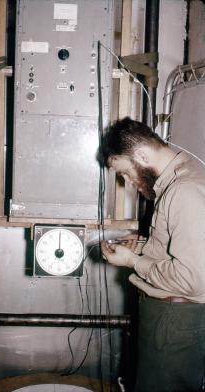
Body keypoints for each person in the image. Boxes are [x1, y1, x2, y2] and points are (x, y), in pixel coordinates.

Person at [99, 117, 205, 392]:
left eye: (124, 172)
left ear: (142, 155)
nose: (127, 182)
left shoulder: (184, 191)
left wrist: (133, 261)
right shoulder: (180, 180)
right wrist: (145, 244)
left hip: (175, 320)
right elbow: (179, 246)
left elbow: (192, 279)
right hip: (171, 316)